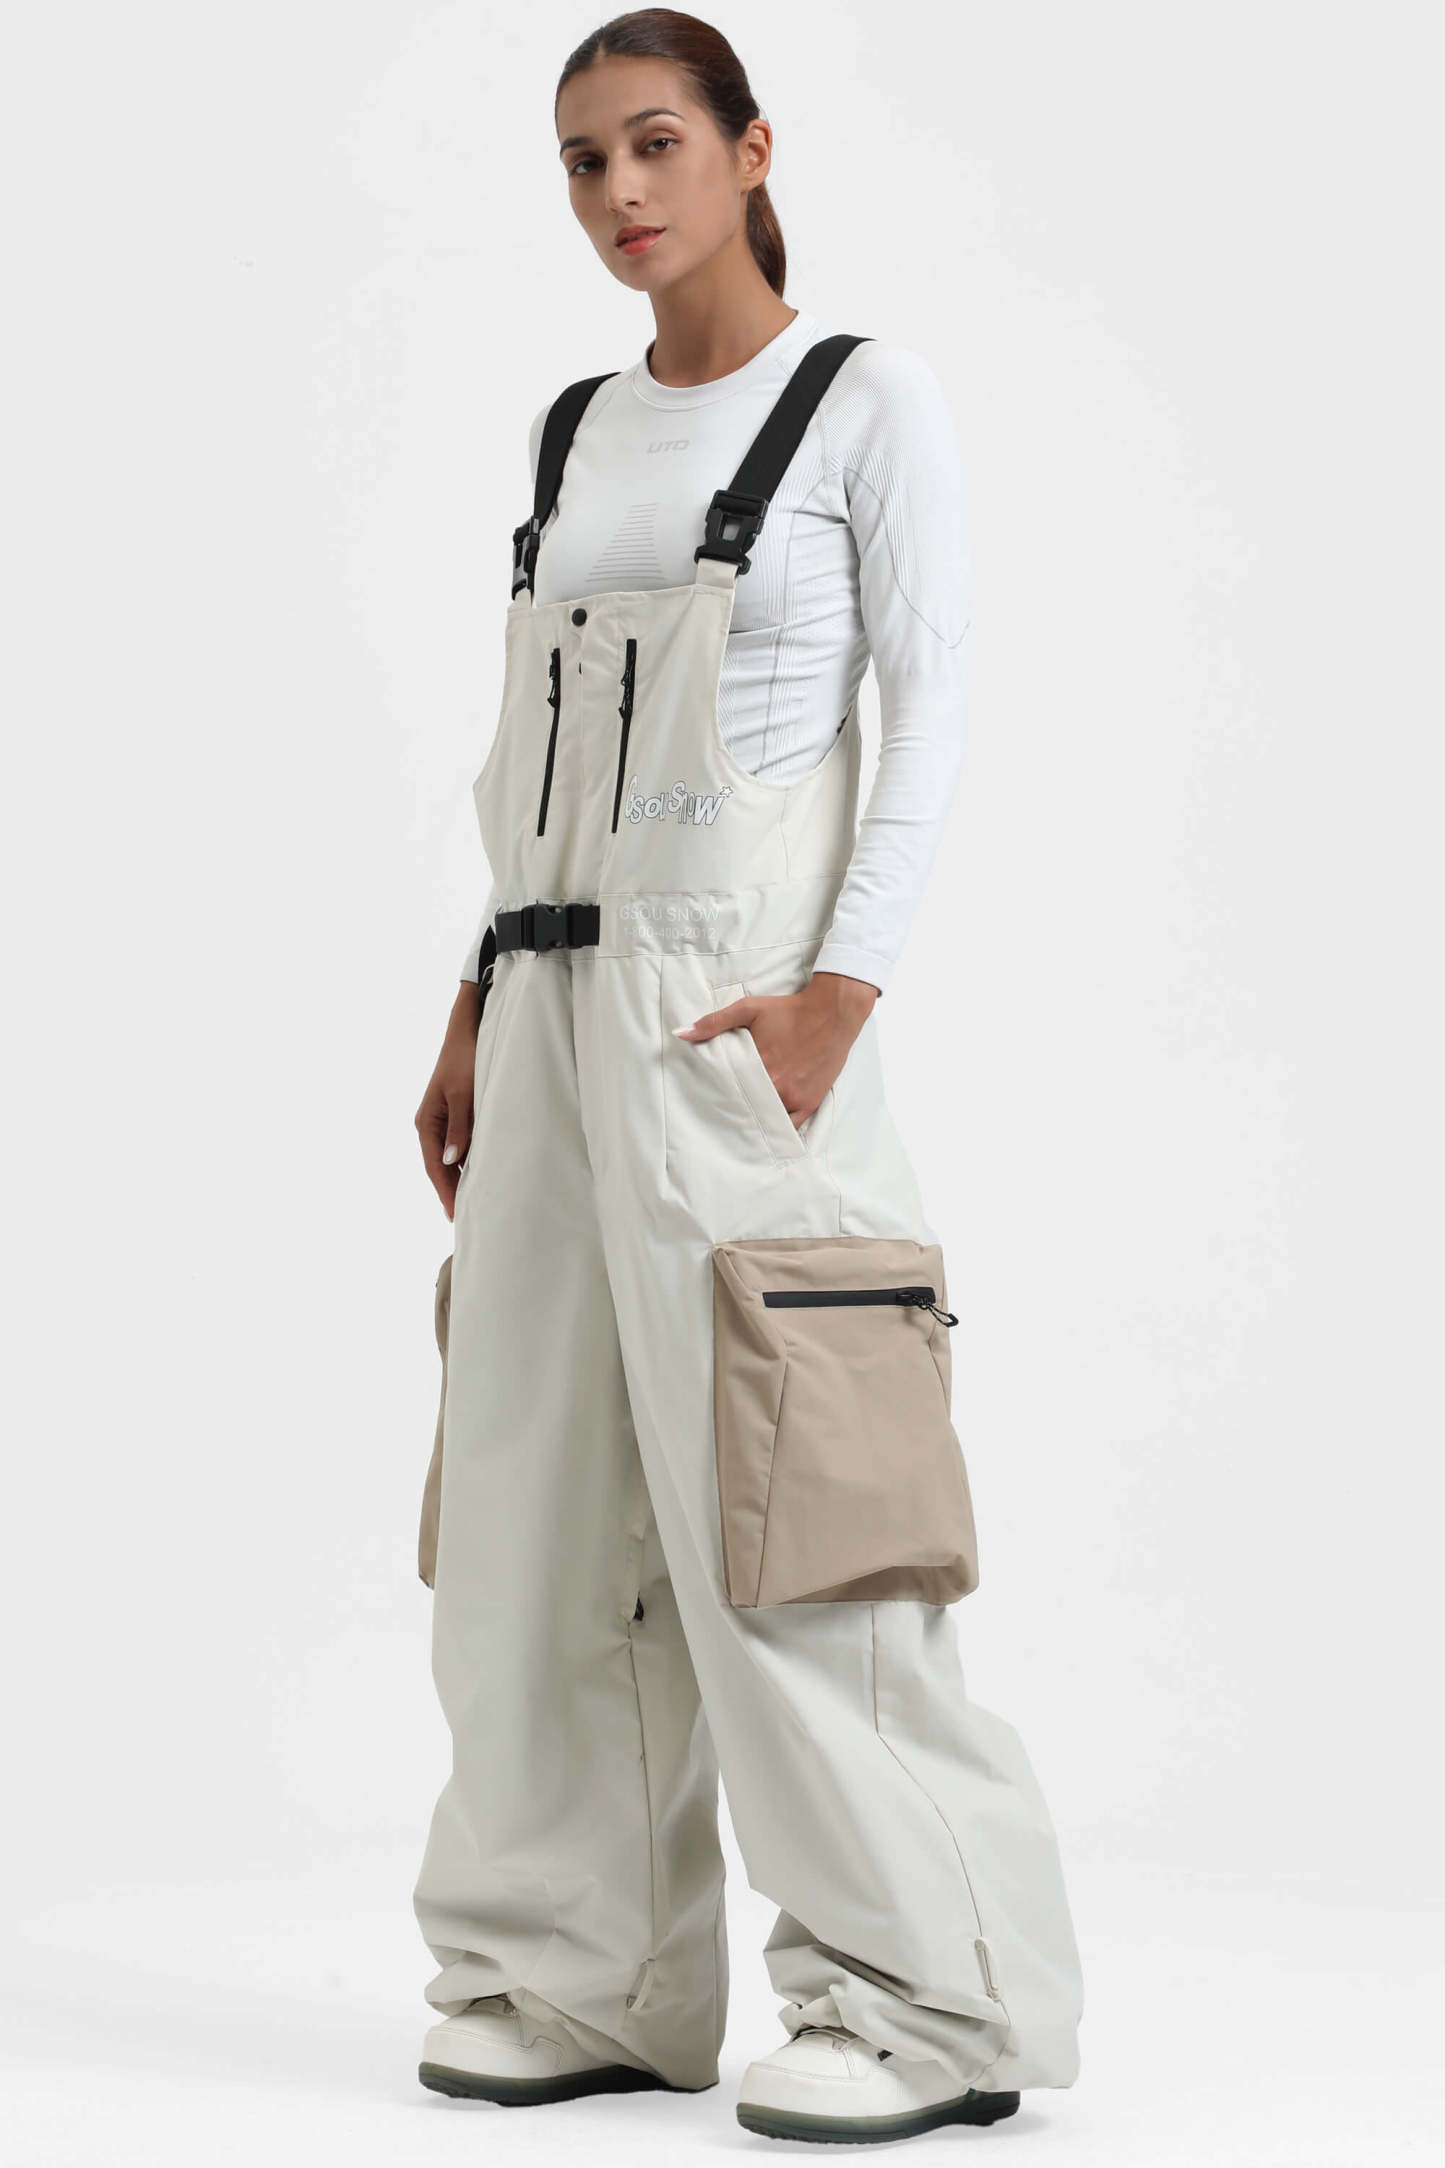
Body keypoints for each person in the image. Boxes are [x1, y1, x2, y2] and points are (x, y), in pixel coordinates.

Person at [410, 10, 1084, 2148]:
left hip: (733, 1028)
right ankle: (579, 1972)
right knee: (532, 1507)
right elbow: (538, 768)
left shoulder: (865, 397)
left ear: (749, 148)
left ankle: (929, 1999)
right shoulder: (577, 431)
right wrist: (473, 1001)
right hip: (544, 1012)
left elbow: (935, 700)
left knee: (792, 1511)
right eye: (583, 160)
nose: (620, 192)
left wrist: (838, 994)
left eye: (655, 144)